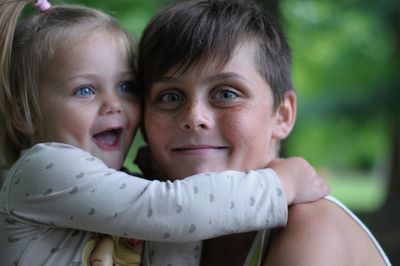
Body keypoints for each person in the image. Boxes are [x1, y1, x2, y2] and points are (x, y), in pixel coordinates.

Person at [0, 1, 329, 265]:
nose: (114, 105)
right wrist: (281, 184)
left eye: (126, 87)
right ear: (24, 114)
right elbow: (173, 212)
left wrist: (154, 182)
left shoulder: (315, 230)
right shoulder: (42, 171)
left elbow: (175, 242)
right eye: (85, 90)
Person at [136, 0, 392, 265]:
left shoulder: (312, 228)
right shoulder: (148, 218)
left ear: (283, 115)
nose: (194, 117)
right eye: (170, 97)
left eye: (226, 94)